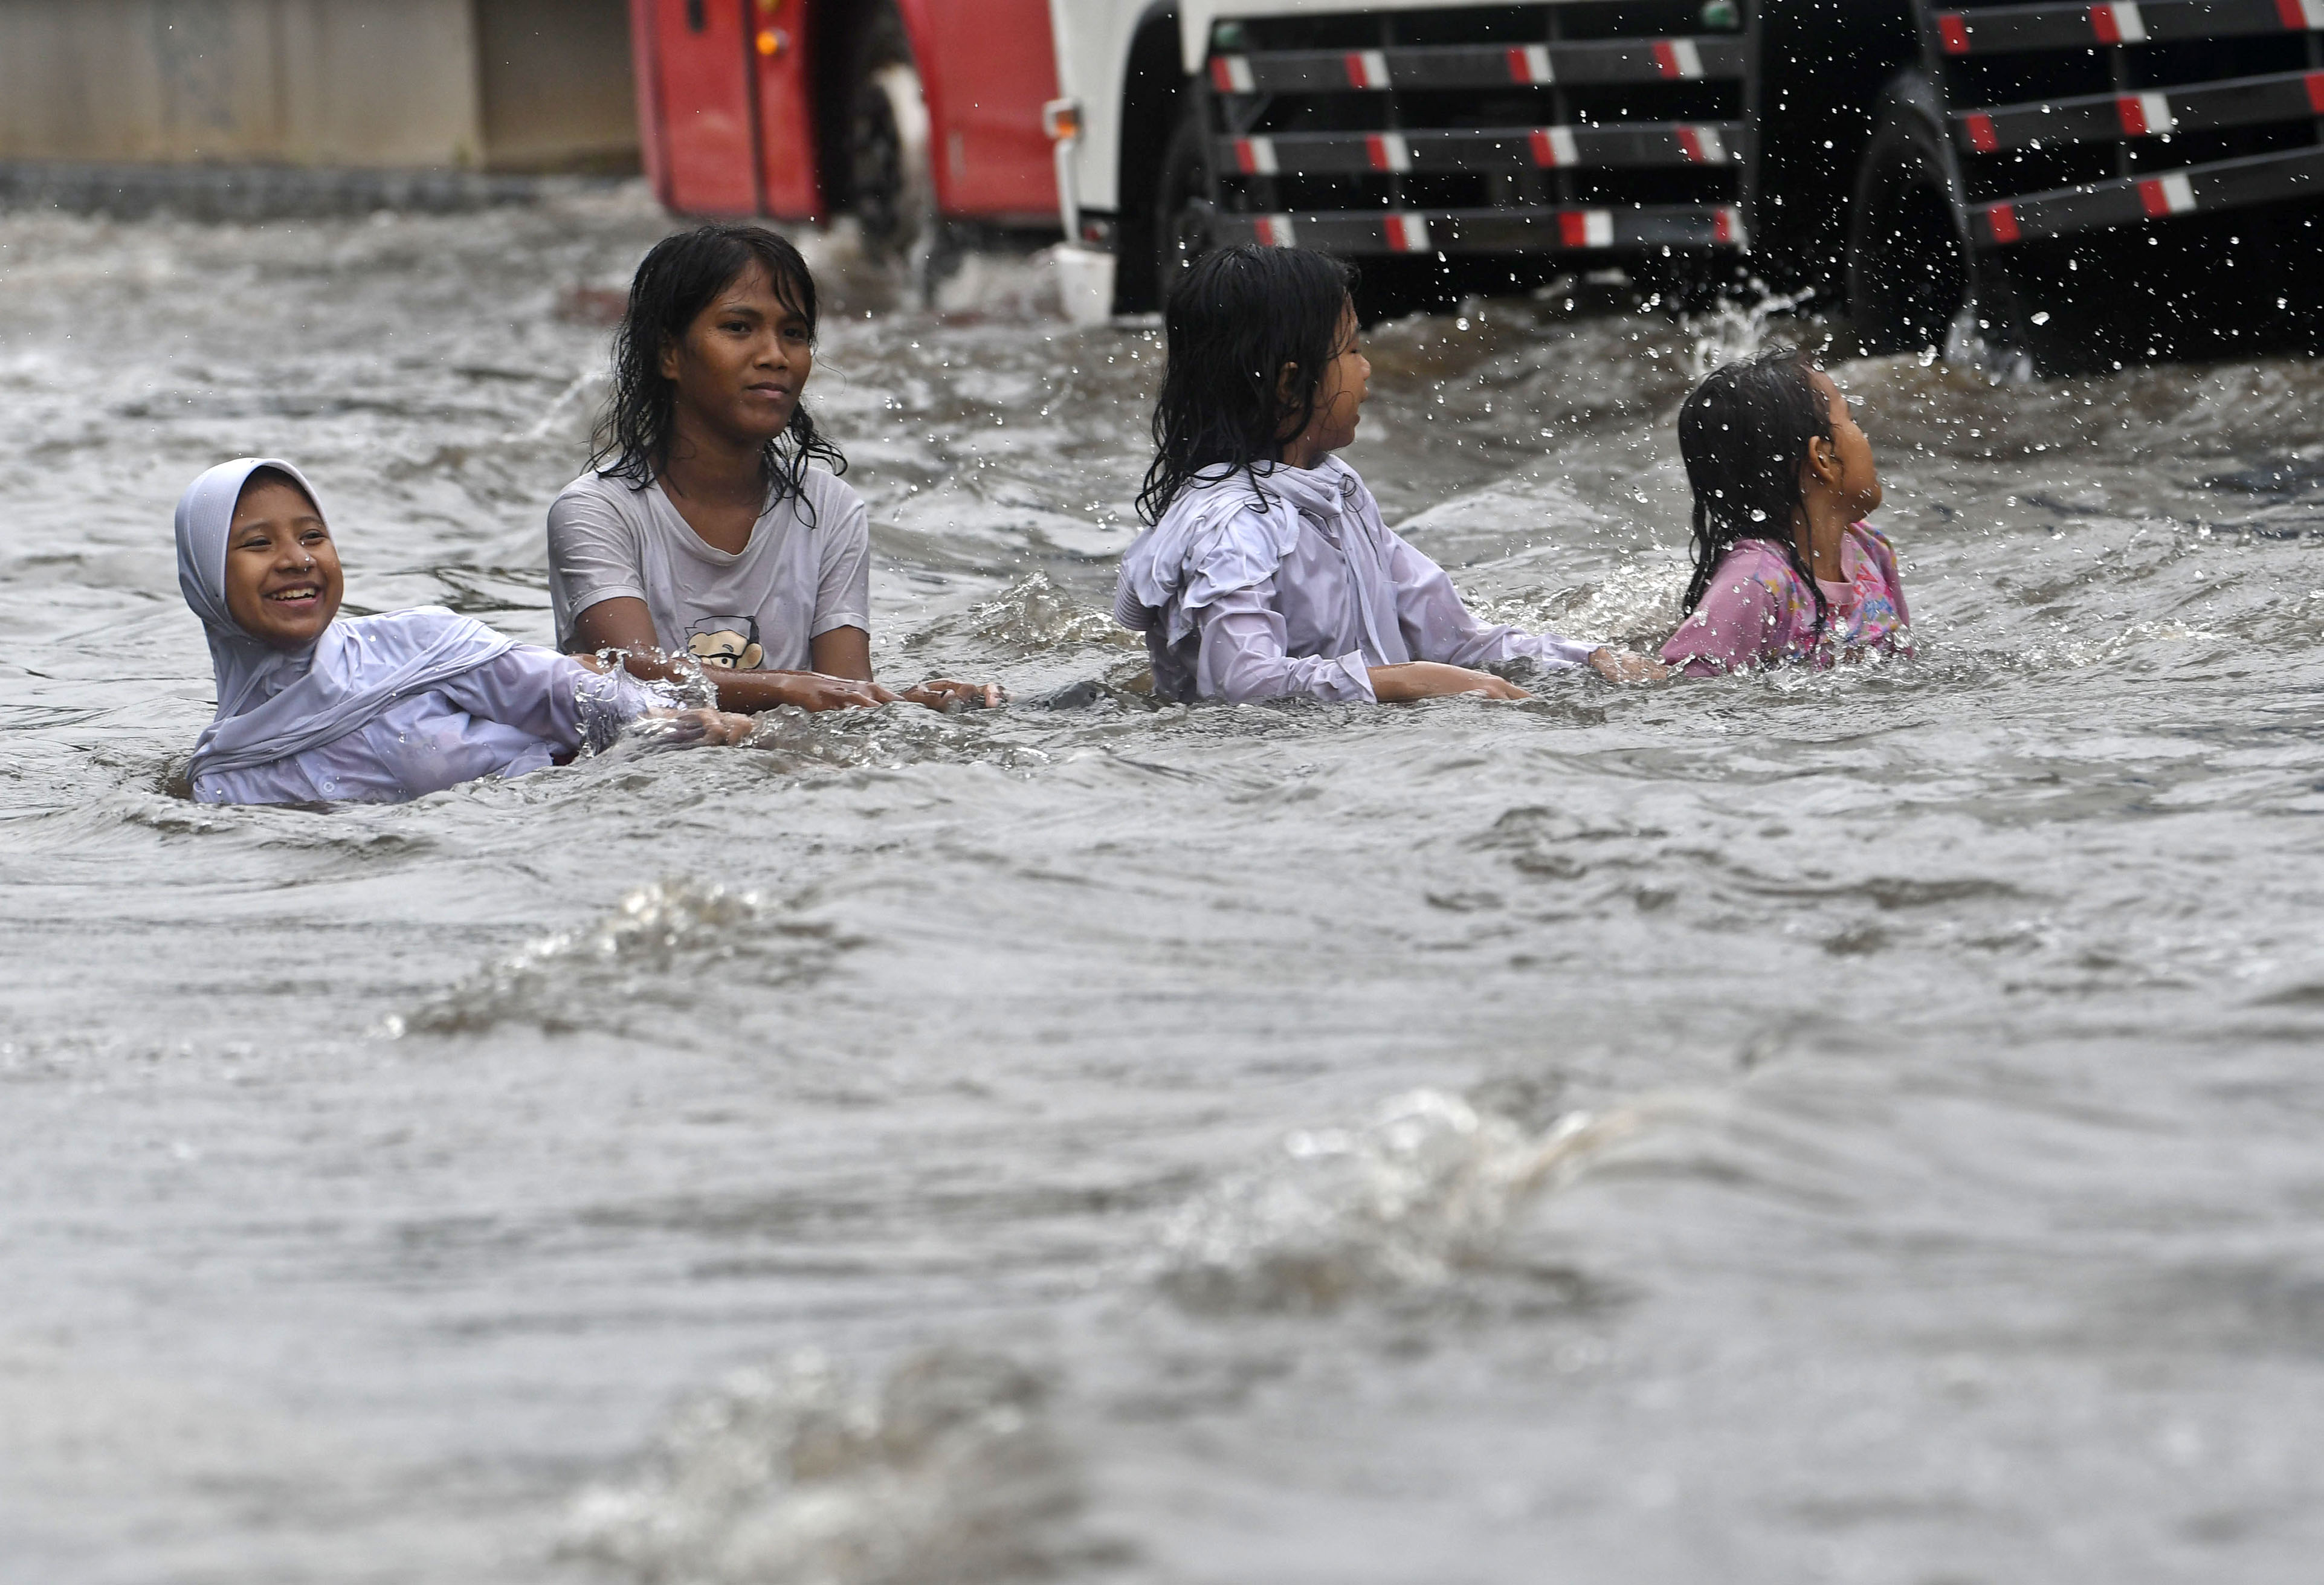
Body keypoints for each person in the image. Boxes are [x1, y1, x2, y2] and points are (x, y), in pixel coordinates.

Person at [1114, 244, 1660, 705]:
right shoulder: (1234, 528)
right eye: (1350, 348)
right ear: (1289, 383)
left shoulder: (1339, 495)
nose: (1368, 365)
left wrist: (1588, 658)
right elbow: (1244, 684)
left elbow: (1453, 642)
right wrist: (1411, 681)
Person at [547, 224, 998, 713]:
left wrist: (911, 703)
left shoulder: (831, 509)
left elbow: (844, 701)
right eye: (739, 328)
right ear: (669, 353)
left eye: (794, 334)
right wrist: (785, 687)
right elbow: (632, 670)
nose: (775, 356)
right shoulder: (595, 511)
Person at [177, 457, 753, 806]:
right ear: (203, 575)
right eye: (258, 544)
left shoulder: (417, 646)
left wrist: (685, 729)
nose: (297, 559)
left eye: (312, 537)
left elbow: (571, 697)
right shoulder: (227, 776)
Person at [1660, 346, 1911, 676]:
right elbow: (1685, 687)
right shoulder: (1755, 584)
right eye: (1849, 418)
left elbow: (1905, 662)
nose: (1863, 437)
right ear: (1822, 458)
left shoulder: (1872, 551)